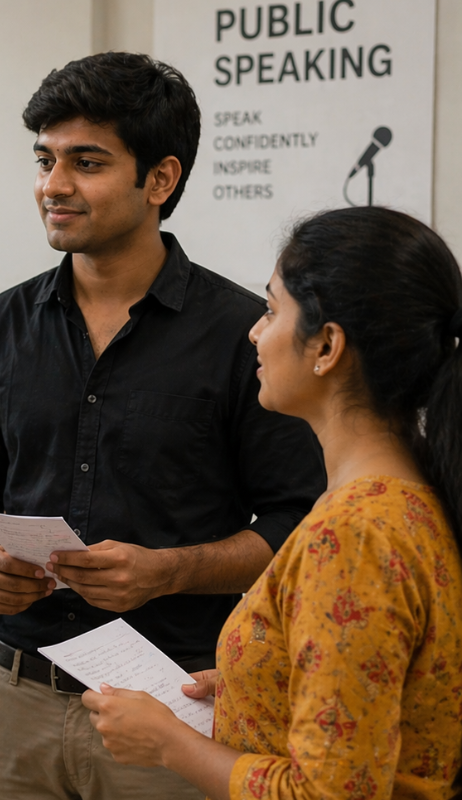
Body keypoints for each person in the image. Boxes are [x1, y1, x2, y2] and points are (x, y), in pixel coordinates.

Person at [0, 52, 326, 799]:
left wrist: (166, 571)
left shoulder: (243, 333)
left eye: (86, 162)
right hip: (14, 694)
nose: (54, 185)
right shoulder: (0, 326)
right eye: (45, 159)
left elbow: (294, 524)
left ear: (160, 179)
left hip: (173, 702)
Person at [83, 206, 462, 800]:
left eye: (271, 309)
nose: (255, 332)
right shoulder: (410, 496)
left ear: (328, 345)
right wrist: (247, 679)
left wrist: (169, 743)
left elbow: (327, 794)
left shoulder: (353, 536)